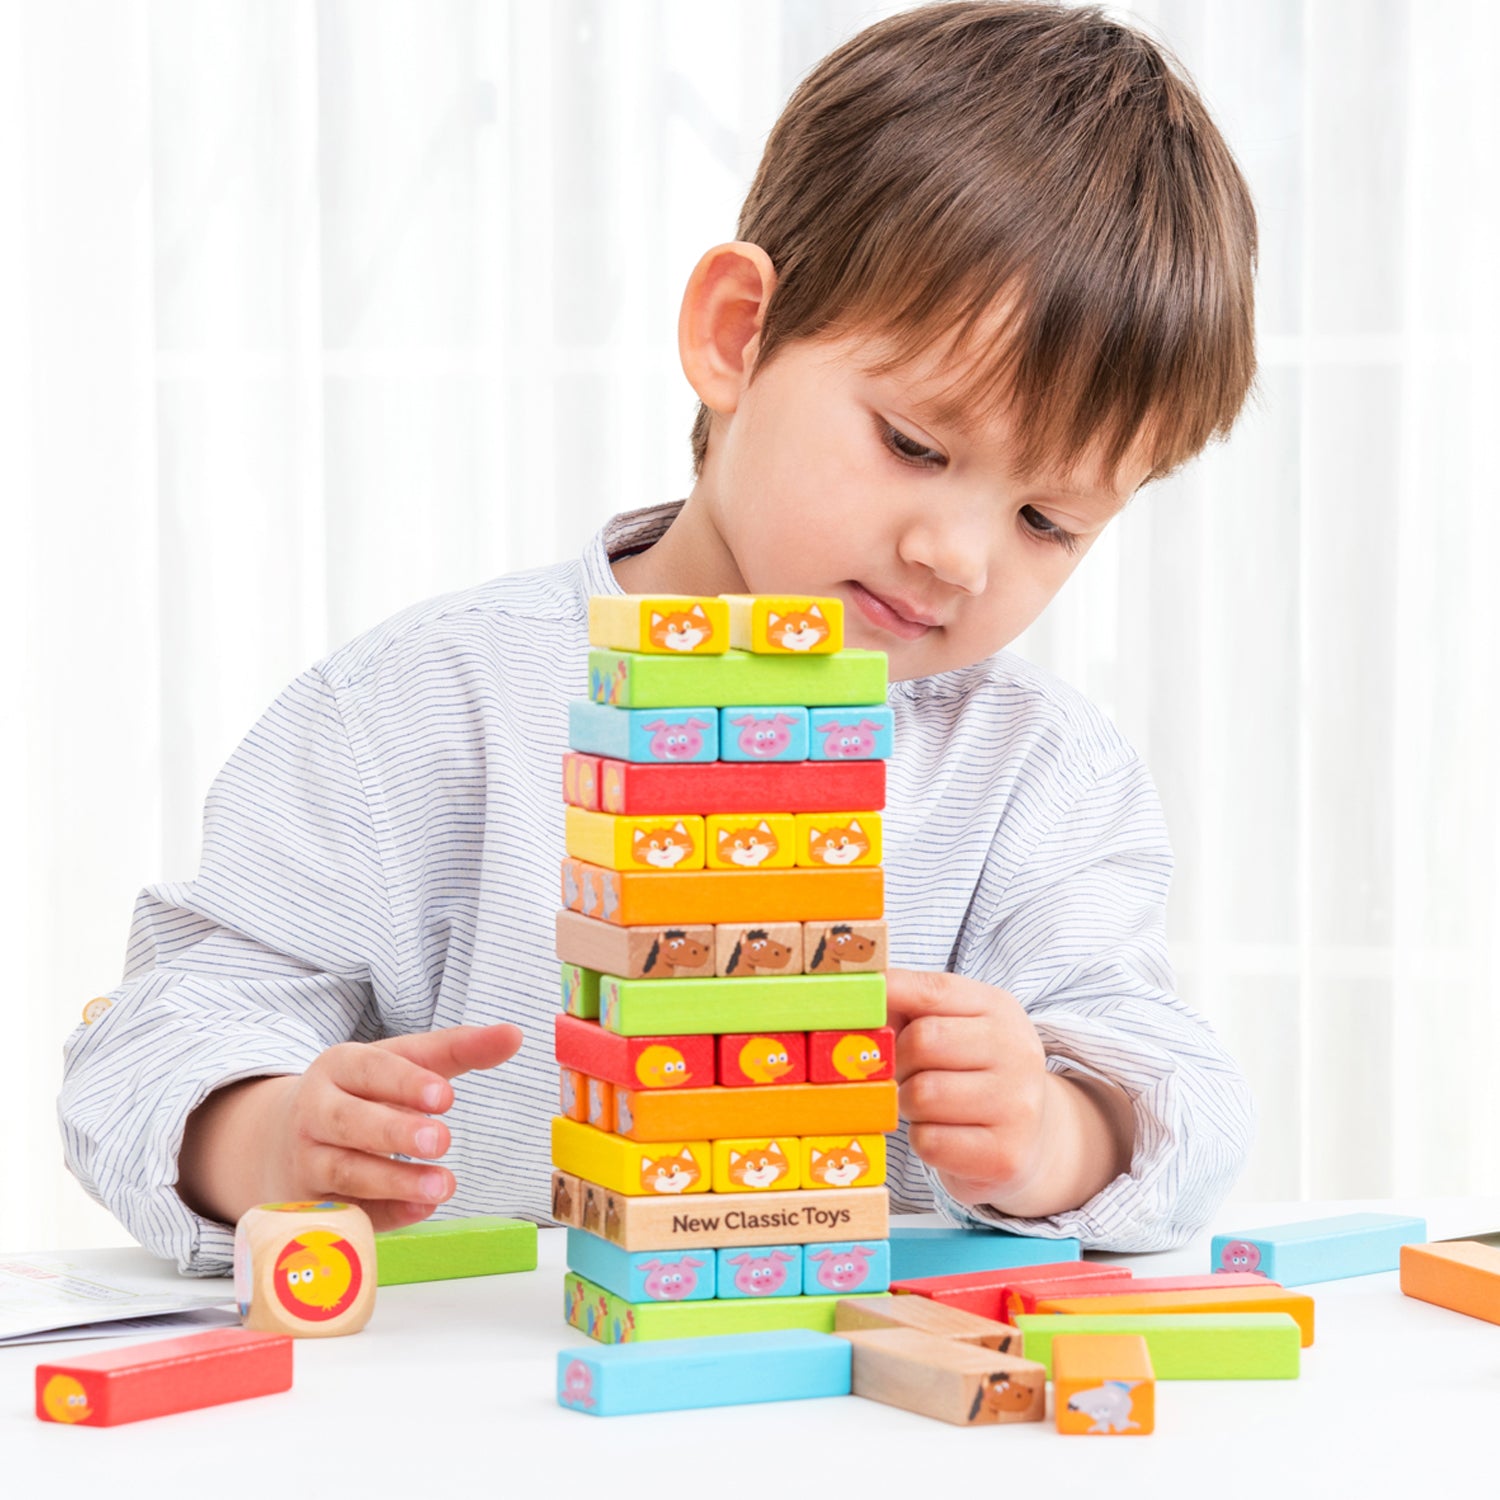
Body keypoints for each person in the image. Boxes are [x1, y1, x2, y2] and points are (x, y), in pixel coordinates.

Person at [60, 1, 1257, 1274]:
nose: (958, 556)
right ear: (737, 336)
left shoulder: (1038, 775)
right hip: (472, 1424)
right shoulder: (420, 711)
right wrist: (272, 1140)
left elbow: (1186, 1103)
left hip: (849, 1424)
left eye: (1046, 519)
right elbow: (149, 1049)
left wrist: (1057, 1134)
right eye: (913, 444)